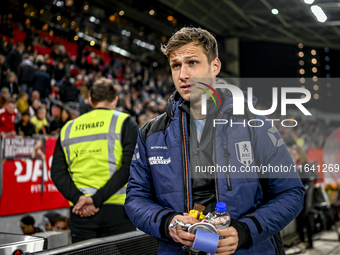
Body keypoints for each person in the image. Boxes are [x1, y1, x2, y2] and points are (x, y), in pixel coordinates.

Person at [124, 27, 305, 255]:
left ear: (215, 66)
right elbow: (135, 198)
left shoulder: (254, 123)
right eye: (176, 65)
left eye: (192, 62)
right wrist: (166, 222)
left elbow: (291, 193)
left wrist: (245, 231)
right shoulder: (151, 133)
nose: (183, 75)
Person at [51, 77, 138, 243]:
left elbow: (56, 172)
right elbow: (129, 168)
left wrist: (79, 199)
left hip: (80, 212)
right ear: (115, 99)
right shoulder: (125, 122)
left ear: (90, 100)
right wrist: (95, 200)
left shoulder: (68, 128)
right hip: (117, 211)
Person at [290, 144, 314, 249]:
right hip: (299, 195)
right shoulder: (298, 164)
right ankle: (302, 239)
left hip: (304, 195)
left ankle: (309, 241)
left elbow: (306, 180)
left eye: (295, 154)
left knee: (305, 217)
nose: (293, 156)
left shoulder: (304, 165)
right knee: (299, 218)